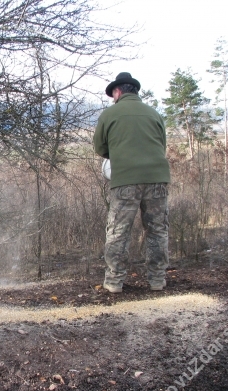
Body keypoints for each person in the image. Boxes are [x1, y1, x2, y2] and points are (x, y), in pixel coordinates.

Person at [93, 72, 171, 293]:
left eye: (112, 95)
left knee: (118, 231)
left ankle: (115, 281)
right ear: (134, 90)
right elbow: (161, 146)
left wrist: (120, 153)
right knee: (157, 230)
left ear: (117, 91)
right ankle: (157, 280)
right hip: (157, 179)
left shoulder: (110, 114)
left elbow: (100, 148)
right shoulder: (155, 114)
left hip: (125, 179)